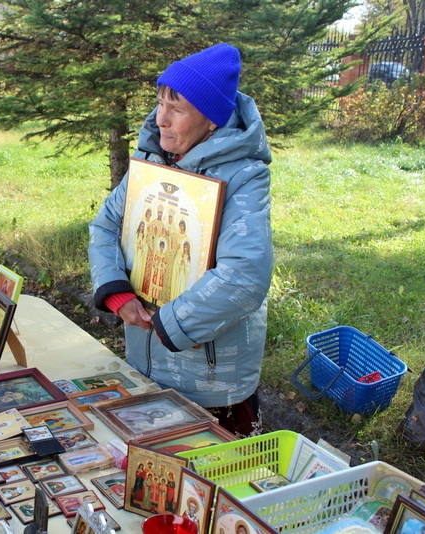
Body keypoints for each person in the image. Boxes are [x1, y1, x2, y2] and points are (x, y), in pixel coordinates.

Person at [88, 43, 273, 438]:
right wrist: (118, 295)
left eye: (177, 109)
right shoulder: (152, 161)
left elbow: (246, 276)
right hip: (144, 361)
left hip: (209, 378)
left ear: (211, 121)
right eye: (160, 103)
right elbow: (105, 226)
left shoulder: (243, 176)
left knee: (216, 469)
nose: (161, 119)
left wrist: (169, 323)